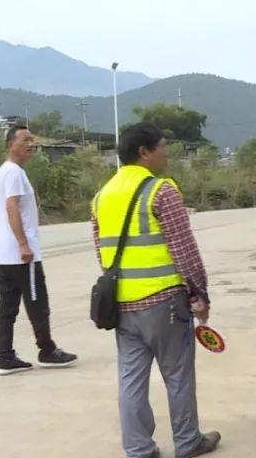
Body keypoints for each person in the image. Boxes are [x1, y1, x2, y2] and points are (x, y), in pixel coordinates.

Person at [91, 123, 220, 458]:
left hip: (122, 305)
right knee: (177, 375)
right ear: (143, 152)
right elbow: (184, 250)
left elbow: (101, 251)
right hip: (164, 301)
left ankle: (138, 448)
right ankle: (188, 441)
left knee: (131, 379)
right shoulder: (161, 191)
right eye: (163, 146)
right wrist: (200, 295)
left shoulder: (101, 196)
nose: (167, 151)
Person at [0, 125, 77, 375]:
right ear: (11, 144)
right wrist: (23, 243)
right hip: (22, 257)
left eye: (33, 140)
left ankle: (5, 357)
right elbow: (12, 208)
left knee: (7, 309)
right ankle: (47, 350)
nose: (32, 144)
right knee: (37, 304)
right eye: (25, 140)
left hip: (5, 256)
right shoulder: (14, 173)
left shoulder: (5, 171)